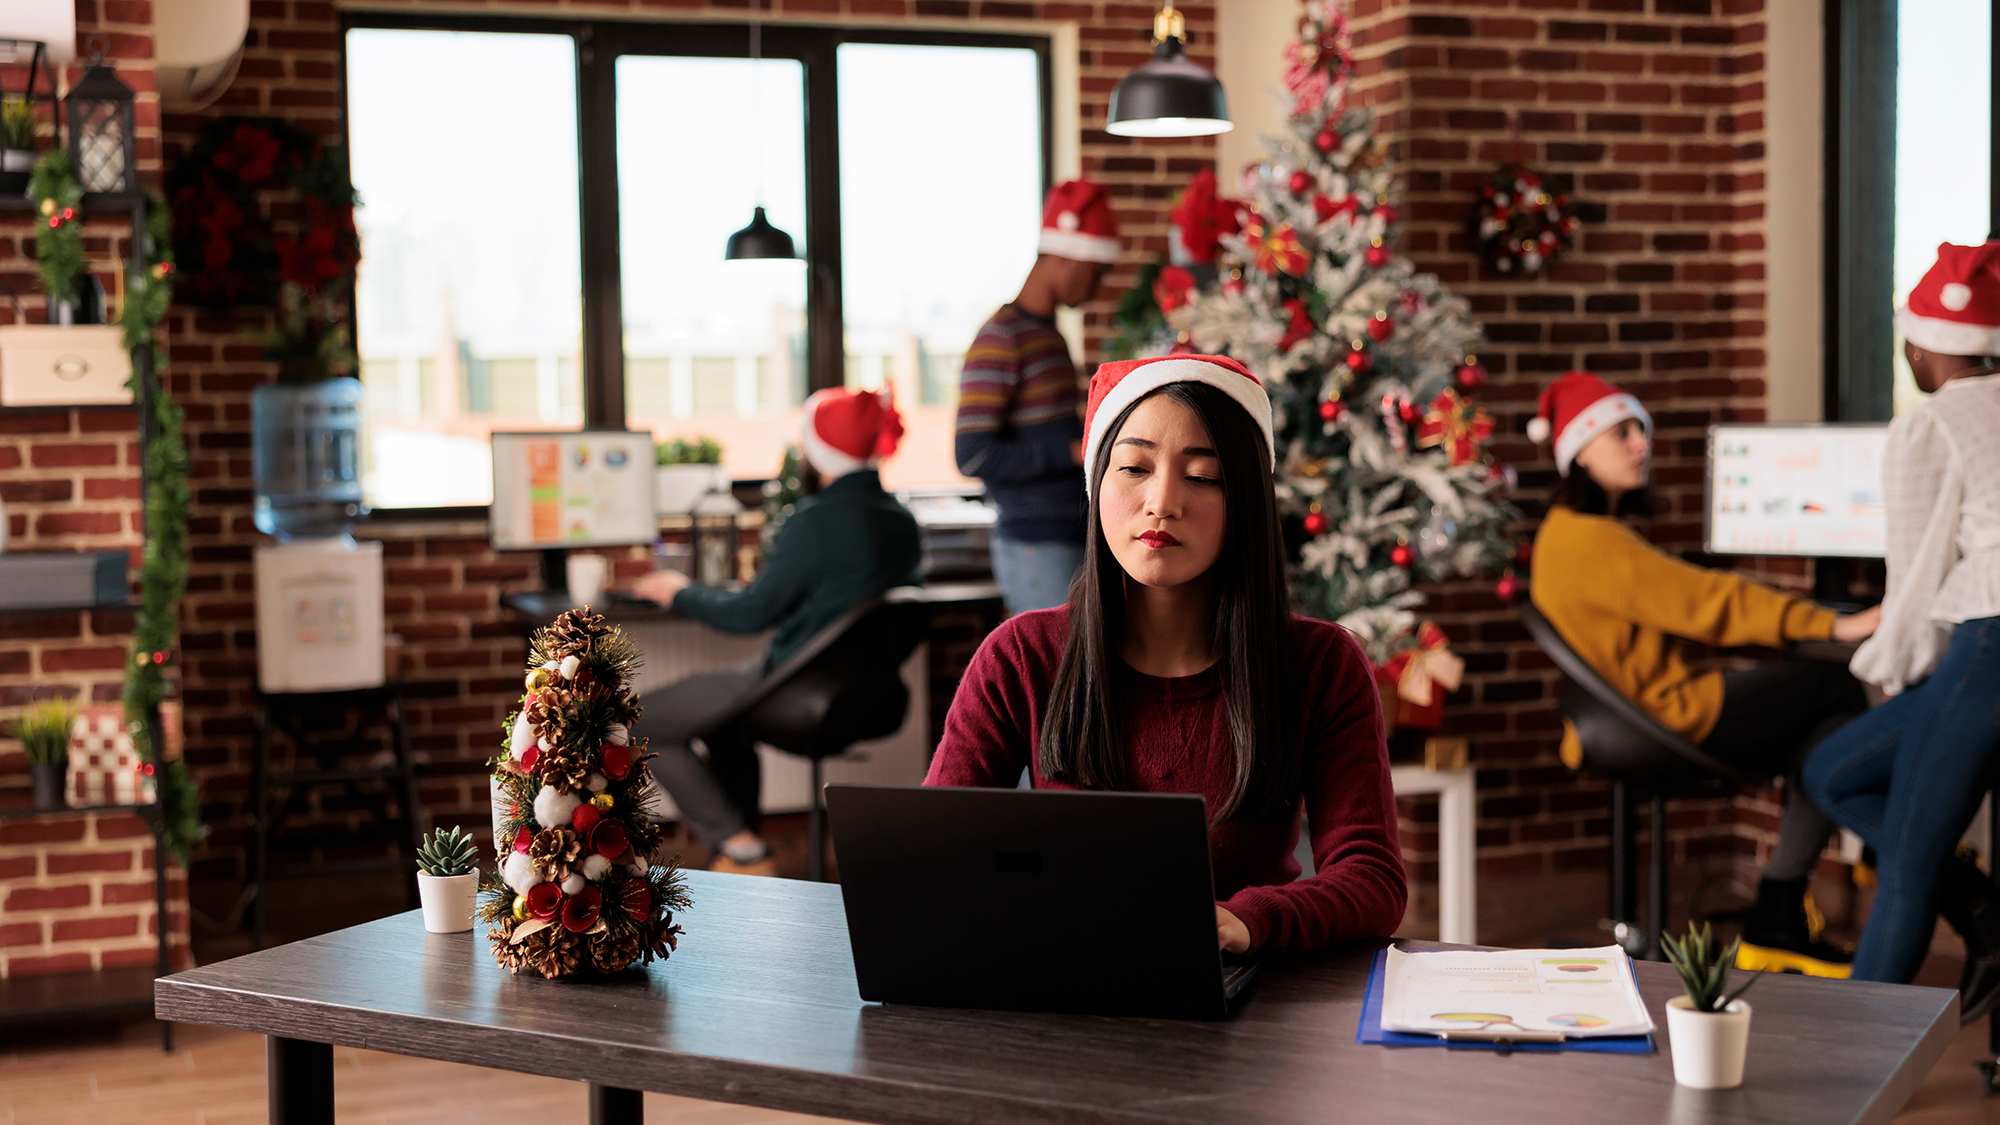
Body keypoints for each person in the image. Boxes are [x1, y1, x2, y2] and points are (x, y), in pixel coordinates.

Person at [926, 354, 1407, 956]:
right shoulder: (1019, 656)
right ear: (1099, 484)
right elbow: (934, 859)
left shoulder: (1320, 664)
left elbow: (1372, 878)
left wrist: (1247, 922)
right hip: (1066, 994)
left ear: (1246, 502)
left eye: (1203, 476)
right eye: (1133, 467)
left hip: (1250, 1005)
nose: (1162, 501)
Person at [1527, 371, 1879, 978]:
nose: (1642, 443)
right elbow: (1708, 602)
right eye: (1622, 432)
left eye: (1642, 429)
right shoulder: (1592, 542)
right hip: (1669, 716)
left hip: (1638, 714)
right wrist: (1831, 624)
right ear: (1581, 451)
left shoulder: (1566, 535)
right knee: (1834, 684)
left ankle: (1777, 920)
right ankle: (1864, 847)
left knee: (1821, 723)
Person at [1802, 239, 2000, 1020]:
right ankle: (1986, 912)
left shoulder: (1931, 424)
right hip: (1984, 657)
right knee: (1833, 770)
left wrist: (1888, 666)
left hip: (1985, 645)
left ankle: (1850, 1067)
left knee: (1910, 860)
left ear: (1922, 345)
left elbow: (1914, 576)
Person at [629, 388, 922, 876]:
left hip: (795, 686)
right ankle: (739, 845)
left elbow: (747, 615)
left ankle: (741, 848)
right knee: (723, 726)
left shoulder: (815, 522)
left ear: (820, 451)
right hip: (867, 693)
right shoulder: (902, 521)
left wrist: (677, 591)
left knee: (639, 720)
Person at [956, 179, 1120, 615]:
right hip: (1036, 546)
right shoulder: (1002, 337)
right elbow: (972, 455)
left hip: (1063, 537)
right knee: (1054, 679)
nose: (1098, 286)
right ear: (1067, 255)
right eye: (1097, 271)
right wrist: (1069, 450)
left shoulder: (1046, 336)